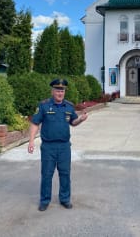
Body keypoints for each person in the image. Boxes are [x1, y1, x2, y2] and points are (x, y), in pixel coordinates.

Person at [28, 78, 88, 211]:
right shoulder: (44, 106)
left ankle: (65, 199)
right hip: (48, 147)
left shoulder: (69, 106)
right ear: (52, 91)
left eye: (62, 90)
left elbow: (73, 122)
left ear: (64, 92)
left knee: (65, 173)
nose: (60, 93)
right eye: (57, 90)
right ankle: (44, 200)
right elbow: (35, 123)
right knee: (47, 174)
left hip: (64, 147)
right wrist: (31, 141)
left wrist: (81, 119)